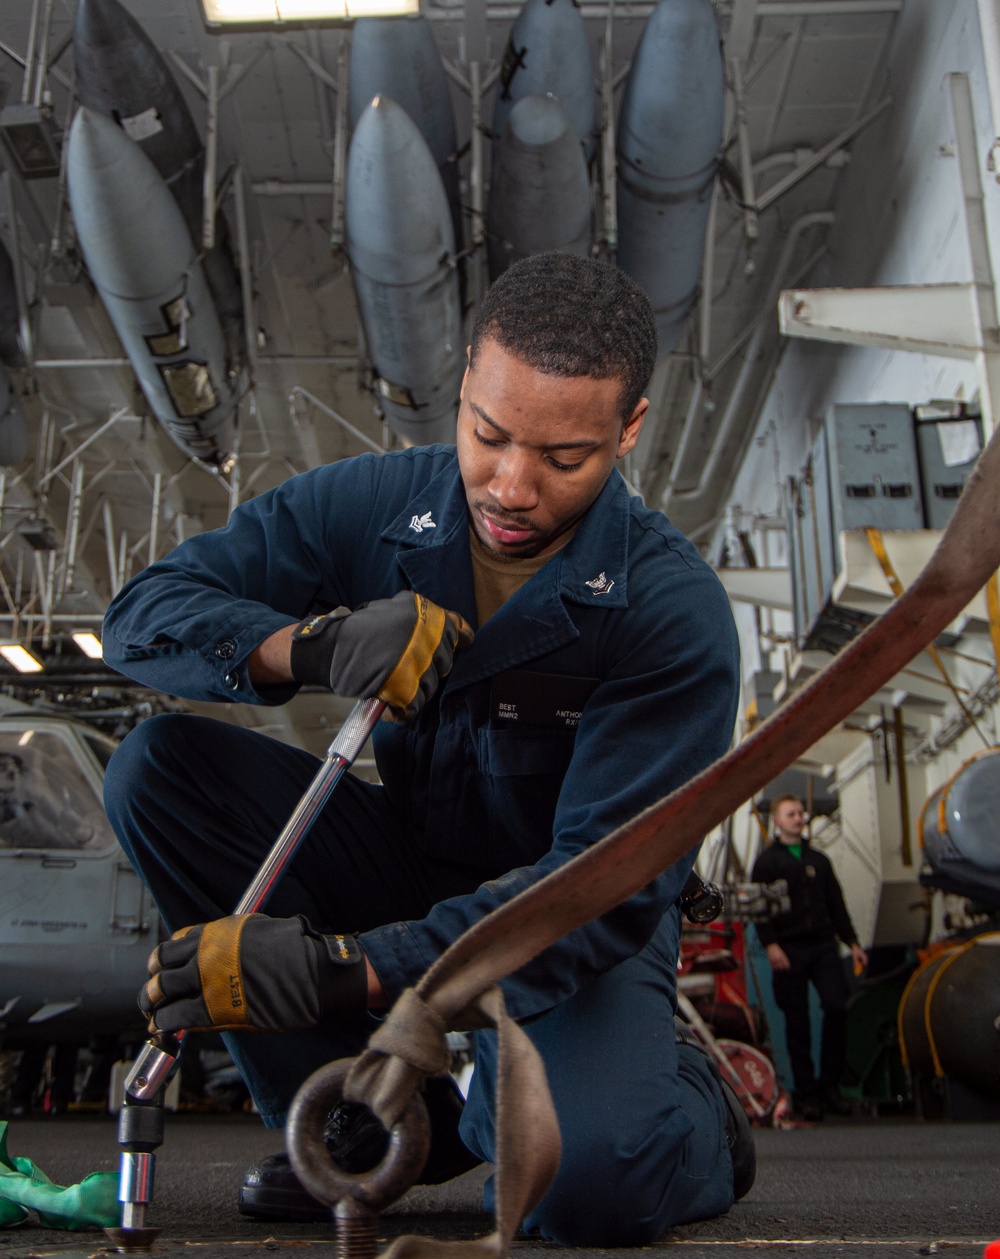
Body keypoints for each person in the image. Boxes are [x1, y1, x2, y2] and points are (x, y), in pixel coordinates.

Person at [102, 252, 749, 1246]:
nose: (510, 484)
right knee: (159, 770)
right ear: (463, 389)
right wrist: (302, 645)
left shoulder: (670, 612)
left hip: (577, 915)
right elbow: (142, 618)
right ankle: (365, 1119)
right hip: (408, 857)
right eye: (487, 434)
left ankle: (691, 1103)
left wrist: (339, 969)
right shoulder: (370, 504)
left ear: (628, 429)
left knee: (577, 1187)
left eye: (563, 457)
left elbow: (595, 884)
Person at [751, 795, 868, 1121]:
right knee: (797, 1021)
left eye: (801, 813)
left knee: (836, 1006)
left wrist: (852, 942)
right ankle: (806, 1093)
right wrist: (771, 945)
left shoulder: (819, 859)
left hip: (822, 946)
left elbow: (836, 903)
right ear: (777, 820)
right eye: (791, 813)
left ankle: (830, 1086)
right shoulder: (767, 863)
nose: (799, 818)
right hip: (788, 948)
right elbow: (759, 909)